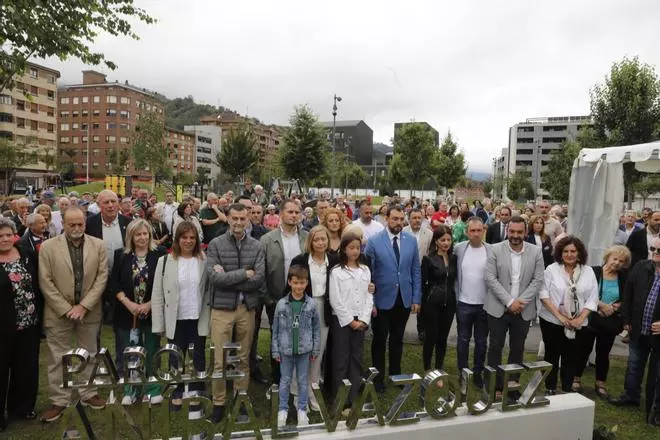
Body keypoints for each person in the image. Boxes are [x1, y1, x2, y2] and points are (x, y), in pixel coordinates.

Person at [38, 206, 108, 422]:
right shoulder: (48, 247)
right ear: (64, 224)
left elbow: (101, 277)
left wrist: (84, 306)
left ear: (85, 223)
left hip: (89, 310)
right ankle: (59, 400)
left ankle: (88, 393)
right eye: (72, 224)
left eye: (80, 224)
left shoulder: (99, 245)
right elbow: (45, 281)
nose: (77, 228)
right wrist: (67, 308)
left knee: (89, 353)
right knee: (58, 357)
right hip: (58, 312)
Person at [206, 203, 265, 423]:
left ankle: (241, 400)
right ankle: (219, 403)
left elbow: (259, 279)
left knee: (243, 358)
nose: (239, 222)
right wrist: (243, 274)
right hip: (221, 309)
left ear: (248, 218)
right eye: (235, 218)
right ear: (228, 219)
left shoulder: (256, 246)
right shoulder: (216, 244)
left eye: (243, 218)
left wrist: (230, 277)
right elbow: (214, 279)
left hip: (245, 309)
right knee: (220, 360)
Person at [151, 221, 211, 409]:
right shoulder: (165, 261)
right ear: (177, 239)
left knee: (198, 357)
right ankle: (176, 391)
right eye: (184, 237)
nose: (188, 241)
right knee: (175, 356)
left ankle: (195, 390)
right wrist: (159, 325)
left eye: (192, 238)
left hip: (196, 316)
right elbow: (157, 294)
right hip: (175, 318)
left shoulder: (203, 260)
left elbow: (208, 291)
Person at [484, 216, 544, 400]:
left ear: (526, 232)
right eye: (512, 232)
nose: (515, 236)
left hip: (523, 310)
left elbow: (538, 279)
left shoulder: (535, 252)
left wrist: (520, 302)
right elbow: (490, 278)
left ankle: (512, 386)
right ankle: (494, 386)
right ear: (507, 231)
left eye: (519, 232)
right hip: (498, 308)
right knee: (495, 347)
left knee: (517, 349)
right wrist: (510, 302)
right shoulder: (494, 249)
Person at [109, 218, 167, 406]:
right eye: (137, 234)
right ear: (131, 237)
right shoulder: (121, 255)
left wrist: (149, 304)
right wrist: (128, 303)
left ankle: (152, 388)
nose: (142, 237)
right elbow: (113, 283)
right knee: (130, 352)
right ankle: (131, 389)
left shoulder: (159, 254)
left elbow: (165, 284)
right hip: (127, 313)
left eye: (145, 233)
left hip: (151, 312)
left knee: (150, 350)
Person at [365, 206, 421, 393]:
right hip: (382, 300)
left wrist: (416, 298)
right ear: (386, 219)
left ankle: (395, 375)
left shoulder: (411, 241)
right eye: (394, 219)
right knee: (379, 340)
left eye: (400, 219)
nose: (398, 222)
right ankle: (378, 378)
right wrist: (370, 302)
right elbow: (368, 274)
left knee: (397, 339)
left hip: (403, 299)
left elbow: (415, 271)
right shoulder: (373, 242)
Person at [538, 236, 599, 394]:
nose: (569, 254)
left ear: (579, 253)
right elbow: (544, 295)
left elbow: (593, 298)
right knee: (551, 355)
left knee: (571, 357)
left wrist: (580, 319)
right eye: (565, 251)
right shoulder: (551, 269)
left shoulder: (588, 271)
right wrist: (561, 317)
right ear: (560, 253)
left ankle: (566, 388)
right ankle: (550, 387)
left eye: (573, 251)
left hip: (578, 323)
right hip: (552, 320)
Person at [289, 225, 339, 411]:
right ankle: (297, 394)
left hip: (324, 309)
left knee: (317, 353)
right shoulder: (300, 261)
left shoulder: (334, 260)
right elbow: (291, 288)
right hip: (303, 309)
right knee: (301, 352)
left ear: (328, 240)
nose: (320, 242)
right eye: (316, 239)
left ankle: (312, 391)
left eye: (323, 239)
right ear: (310, 241)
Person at [573, 245, 630, 399]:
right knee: (582, 350)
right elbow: (582, 291)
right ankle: (576, 379)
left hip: (610, 321)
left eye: (621, 261)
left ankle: (600, 383)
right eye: (615, 259)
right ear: (607, 258)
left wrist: (615, 307)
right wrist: (600, 305)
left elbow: (627, 298)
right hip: (590, 317)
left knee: (603, 353)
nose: (617, 263)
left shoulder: (624, 277)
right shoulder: (593, 271)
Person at [261, 200, 308, 387]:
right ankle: (277, 380)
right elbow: (261, 272)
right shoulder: (267, 239)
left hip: (302, 299)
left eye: (297, 212)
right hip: (276, 299)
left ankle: (297, 381)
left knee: (300, 339)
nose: (294, 215)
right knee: (278, 341)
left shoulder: (307, 237)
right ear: (281, 213)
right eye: (290, 211)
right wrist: (268, 300)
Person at [610, 236, 660, 409]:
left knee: (656, 372)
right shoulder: (641, 267)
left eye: (659, 251)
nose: (654, 254)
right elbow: (628, 294)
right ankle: (630, 397)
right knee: (633, 365)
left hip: (657, 334)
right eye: (653, 249)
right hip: (637, 329)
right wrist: (626, 319)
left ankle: (654, 406)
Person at [0, 218, 41, 432]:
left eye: (8, 234)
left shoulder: (26, 253)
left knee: (26, 368)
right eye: (0, 236)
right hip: (2, 327)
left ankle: (23, 407)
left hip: (29, 323)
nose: (5, 239)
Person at [272, 265, 321, 427]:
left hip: (304, 350)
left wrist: (315, 348)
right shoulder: (281, 304)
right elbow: (276, 329)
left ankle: (302, 410)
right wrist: (275, 349)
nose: (299, 286)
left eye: (302, 283)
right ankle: (282, 410)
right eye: (296, 283)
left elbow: (316, 329)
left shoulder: (311, 305)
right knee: (285, 380)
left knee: (302, 380)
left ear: (307, 283)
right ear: (290, 282)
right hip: (285, 350)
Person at [329, 233, 373, 409]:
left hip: (360, 320)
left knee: (356, 358)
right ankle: (340, 399)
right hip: (342, 321)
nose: (355, 251)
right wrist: (349, 321)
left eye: (358, 247)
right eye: (351, 248)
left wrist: (363, 319)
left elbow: (369, 297)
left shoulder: (365, 270)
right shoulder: (337, 272)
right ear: (344, 250)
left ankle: (353, 397)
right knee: (341, 359)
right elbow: (335, 299)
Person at [454, 217, 492, 387]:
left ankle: (478, 373)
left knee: (481, 342)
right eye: (472, 231)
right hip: (463, 303)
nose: (476, 234)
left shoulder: (492, 250)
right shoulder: (459, 249)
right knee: (462, 341)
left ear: (483, 231)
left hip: (484, 304)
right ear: (466, 232)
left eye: (479, 230)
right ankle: (463, 373)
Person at [421, 226, 456, 371]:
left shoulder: (454, 258)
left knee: (443, 337)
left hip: (450, 303)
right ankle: (427, 366)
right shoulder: (428, 259)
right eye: (443, 240)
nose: (446, 243)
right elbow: (422, 282)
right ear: (436, 241)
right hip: (432, 303)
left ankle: (438, 366)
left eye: (448, 239)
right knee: (431, 336)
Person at [404, 208, 433, 341]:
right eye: (414, 218)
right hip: (405, 270)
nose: (416, 220)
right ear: (409, 219)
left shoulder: (429, 234)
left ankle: (422, 329)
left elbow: (430, 253)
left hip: (422, 271)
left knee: (421, 300)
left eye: (419, 218)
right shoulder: (403, 232)